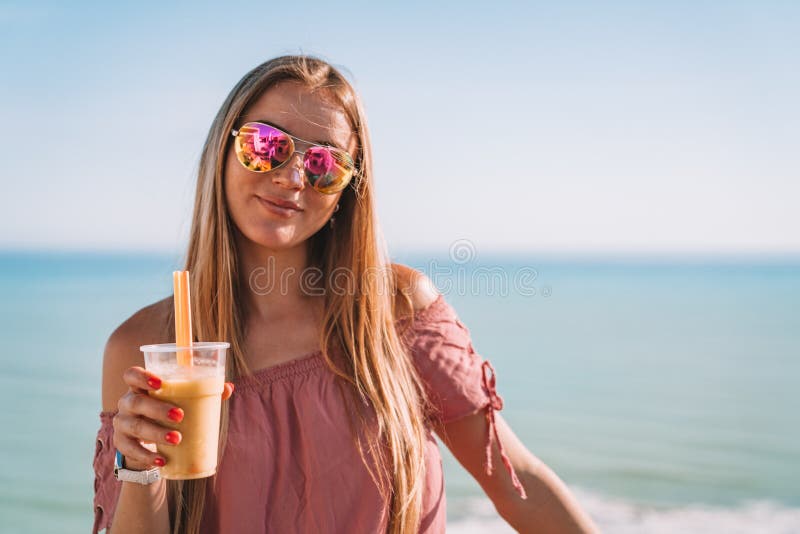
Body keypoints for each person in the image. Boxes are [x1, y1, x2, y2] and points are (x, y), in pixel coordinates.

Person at [92, 55, 599, 534]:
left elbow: (516, 485)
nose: (292, 178)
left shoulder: (398, 310)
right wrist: (139, 465)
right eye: (267, 145)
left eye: (323, 165)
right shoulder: (143, 347)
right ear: (223, 150)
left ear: (346, 192)